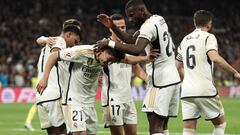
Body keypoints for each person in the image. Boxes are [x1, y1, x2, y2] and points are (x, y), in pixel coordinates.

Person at [96, 0, 181, 134]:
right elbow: (131, 39)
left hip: (159, 81)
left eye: (131, 15)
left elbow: (136, 49)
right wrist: (112, 26)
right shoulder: (159, 19)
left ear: (141, 11)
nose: (130, 20)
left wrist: (109, 43)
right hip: (172, 79)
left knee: (155, 123)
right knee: (163, 124)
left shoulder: (148, 27)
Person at [36, 44, 158, 135]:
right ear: (102, 51)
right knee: (79, 133)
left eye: (111, 61)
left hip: (89, 103)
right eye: (109, 59)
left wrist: (146, 58)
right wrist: (44, 78)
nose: (108, 63)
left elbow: (127, 59)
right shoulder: (83, 52)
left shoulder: (107, 57)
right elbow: (54, 56)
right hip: (73, 101)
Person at [175, 10, 240, 135]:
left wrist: (188, 78)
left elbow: (176, 67)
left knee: (188, 129)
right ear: (209, 24)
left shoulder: (185, 40)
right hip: (204, 89)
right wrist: (235, 72)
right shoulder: (209, 37)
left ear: (194, 23)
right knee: (220, 124)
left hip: (187, 91)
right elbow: (214, 58)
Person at [101, 13, 147, 135]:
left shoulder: (129, 47)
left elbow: (137, 69)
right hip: (113, 98)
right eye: (118, 27)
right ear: (111, 27)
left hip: (128, 97)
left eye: (123, 27)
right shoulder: (104, 46)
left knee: (133, 133)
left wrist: (150, 81)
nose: (122, 30)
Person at [36, 19, 81, 135]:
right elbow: (55, 54)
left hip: (42, 97)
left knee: (53, 133)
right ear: (68, 32)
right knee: (67, 131)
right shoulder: (60, 42)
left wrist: (43, 39)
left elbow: (39, 40)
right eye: (77, 32)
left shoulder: (50, 42)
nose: (76, 43)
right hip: (54, 94)